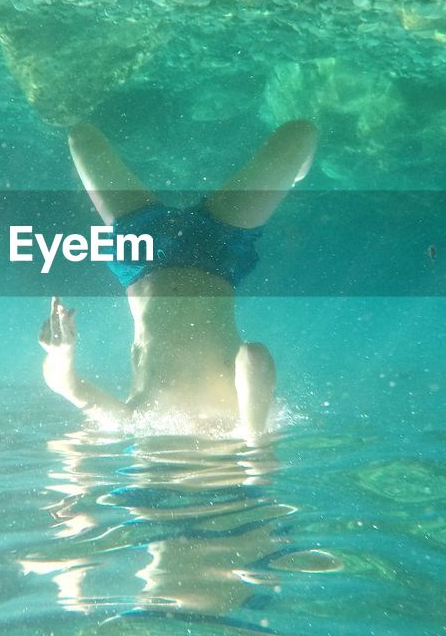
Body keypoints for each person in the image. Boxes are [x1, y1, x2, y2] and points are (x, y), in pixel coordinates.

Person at [38, 120, 318, 442]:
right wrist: (256, 444)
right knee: (301, 133)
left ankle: (286, 174)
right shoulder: (242, 424)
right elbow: (255, 357)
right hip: (219, 250)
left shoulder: (136, 421)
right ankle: (293, 175)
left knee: (80, 136)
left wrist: (61, 355)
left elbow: (66, 386)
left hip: (140, 254)